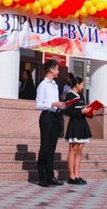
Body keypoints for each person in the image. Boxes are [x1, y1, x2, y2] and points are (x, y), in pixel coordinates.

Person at [35, 59, 65, 187]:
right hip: (46, 117)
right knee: (45, 147)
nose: (58, 71)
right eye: (57, 69)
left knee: (52, 149)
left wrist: (62, 105)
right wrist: (52, 104)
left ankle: (50, 176)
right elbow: (38, 104)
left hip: (55, 116)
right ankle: (41, 177)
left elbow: (56, 102)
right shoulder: (43, 85)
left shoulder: (55, 85)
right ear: (51, 70)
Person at [64, 76, 95, 185]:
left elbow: (83, 110)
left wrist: (90, 112)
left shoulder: (81, 96)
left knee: (79, 150)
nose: (83, 86)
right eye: (82, 84)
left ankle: (77, 175)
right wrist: (81, 111)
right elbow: (68, 111)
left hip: (82, 124)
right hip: (74, 124)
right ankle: (71, 176)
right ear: (77, 84)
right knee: (73, 150)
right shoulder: (69, 95)